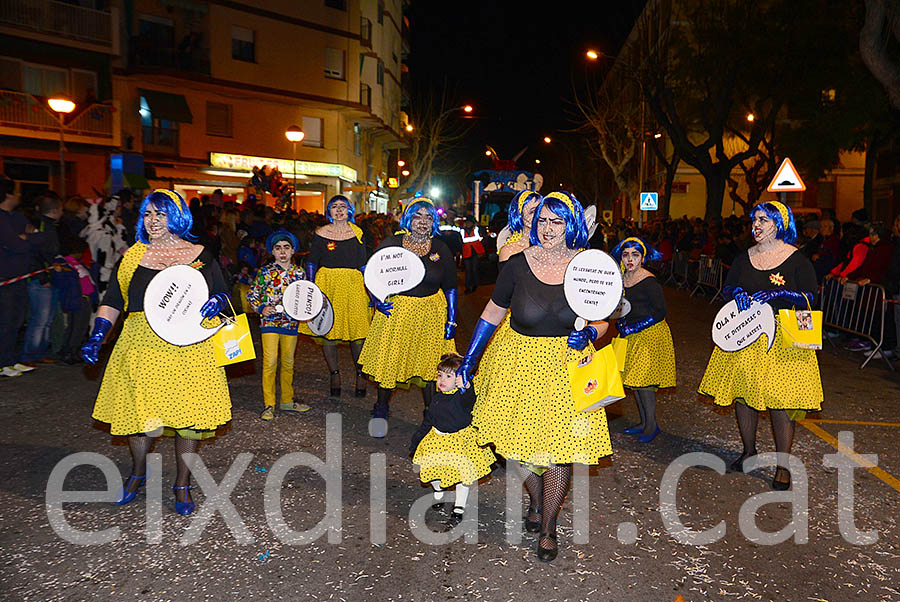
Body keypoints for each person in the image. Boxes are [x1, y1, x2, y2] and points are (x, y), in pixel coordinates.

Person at [458, 191, 613, 562]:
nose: (547, 229)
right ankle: (540, 500)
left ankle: (548, 528)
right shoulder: (516, 263)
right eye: (542, 220)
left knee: (561, 451)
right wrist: (469, 359)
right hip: (518, 361)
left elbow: (604, 317)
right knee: (510, 444)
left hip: (567, 365)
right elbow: (492, 313)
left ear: (571, 224)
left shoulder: (588, 265)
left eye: (556, 221)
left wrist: (591, 333)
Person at [83, 189, 233, 516]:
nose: (153, 221)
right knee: (139, 419)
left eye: (161, 214)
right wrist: (98, 335)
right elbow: (113, 300)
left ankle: (182, 483)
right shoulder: (133, 256)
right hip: (141, 346)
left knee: (189, 420)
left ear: (176, 217)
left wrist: (217, 303)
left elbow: (225, 297)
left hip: (190, 348)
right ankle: (138, 471)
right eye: (148, 214)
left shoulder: (200, 255)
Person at [698, 200, 821, 491]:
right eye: (754, 220)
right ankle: (749, 451)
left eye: (763, 220)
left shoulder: (797, 259)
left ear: (779, 224)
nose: (756, 225)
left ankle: (783, 466)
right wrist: (736, 292)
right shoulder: (744, 257)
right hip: (747, 334)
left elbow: (810, 298)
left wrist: (785, 293)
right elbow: (727, 287)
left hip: (782, 338)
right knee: (743, 396)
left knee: (779, 403)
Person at [358, 198, 458, 435]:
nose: (423, 222)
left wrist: (452, 318)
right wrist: (376, 300)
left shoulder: (440, 248)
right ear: (408, 218)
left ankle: (430, 415)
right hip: (398, 311)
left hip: (431, 312)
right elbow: (369, 272)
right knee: (390, 362)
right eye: (418, 216)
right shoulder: (392, 244)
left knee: (430, 365)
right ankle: (381, 407)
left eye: (428, 217)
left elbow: (451, 286)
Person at [410, 353, 495, 529]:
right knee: (430, 469)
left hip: (460, 443)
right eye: (440, 375)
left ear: (458, 380)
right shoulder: (437, 398)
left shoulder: (462, 398)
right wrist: (417, 439)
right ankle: (439, 492)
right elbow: (429, 420)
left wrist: (467, 386)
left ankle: (458, 509)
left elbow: (470, 398)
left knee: (462, 478)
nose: (442, 380)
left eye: (449, 376)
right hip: (437, 440)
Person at [300, 195, 372, 398]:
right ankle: (334, 374)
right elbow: (312, 261)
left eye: (343, 206)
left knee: (358, 332)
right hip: (327, 284)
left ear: (349, 210)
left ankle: (360, 374)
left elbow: (363, 263)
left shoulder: (357, 233)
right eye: (334, 207)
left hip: (354, 285)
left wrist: (372, 289)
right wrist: (312, 288)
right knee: (327, 330)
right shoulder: (321, 233)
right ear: (328, 211)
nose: (339, 210)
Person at [611, 237, 676, 442]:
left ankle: (651, 426)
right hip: (630, 336)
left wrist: (636, 326)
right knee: (634, 382)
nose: (630, 259)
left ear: (643, 257)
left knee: (644, 383)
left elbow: (660, 312)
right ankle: (644, 422)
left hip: (650, 335)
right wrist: (620, 323)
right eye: (626, 254)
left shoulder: (648, 280)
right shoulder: (620, 278)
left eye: (635, 255)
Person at [247, 230, 310, 420]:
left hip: (290, 324)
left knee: (288, 363)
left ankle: (287, 401)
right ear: (272, 252)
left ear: (293, 251)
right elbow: (252, 295)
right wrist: (260, 308)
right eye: (278, 248)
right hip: (269, 323)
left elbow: (307, 296)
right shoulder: (265, 272)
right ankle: (269, 404)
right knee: (270, 362)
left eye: (286, 248)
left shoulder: (299, 273)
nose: (282, 252)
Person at [0, 175, 40, 377]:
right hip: (5, 279)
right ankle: (3, 363)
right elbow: (15, 244)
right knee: (6, 321)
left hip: (21, 277)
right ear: (6, 194)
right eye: (15, 191)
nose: (19, 195)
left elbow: (36, 237)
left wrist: (27, 238)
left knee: (18, 320)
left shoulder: (16, 217)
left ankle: (12, 360)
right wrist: (24, 239)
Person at [20, 192, 63, 366]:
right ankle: (29, 355)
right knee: (40, 319)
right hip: (41, 278)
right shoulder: (41, 225)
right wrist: (42, 275)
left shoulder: (48, 225)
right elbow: (36, 254)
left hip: (49, 276)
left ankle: (39, 353)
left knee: (47, 319)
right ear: (55, 209)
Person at [461, 216, 485, 294]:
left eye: (469, 222)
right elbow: (462, 240)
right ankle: (468, 287)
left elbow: (481, 236)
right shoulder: (462, 231)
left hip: (475, 252)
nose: (468, 224)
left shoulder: (476, 229)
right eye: (467, 222)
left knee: (474, 269)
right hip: (467, 253)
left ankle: (475, 285)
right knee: (468, 271)